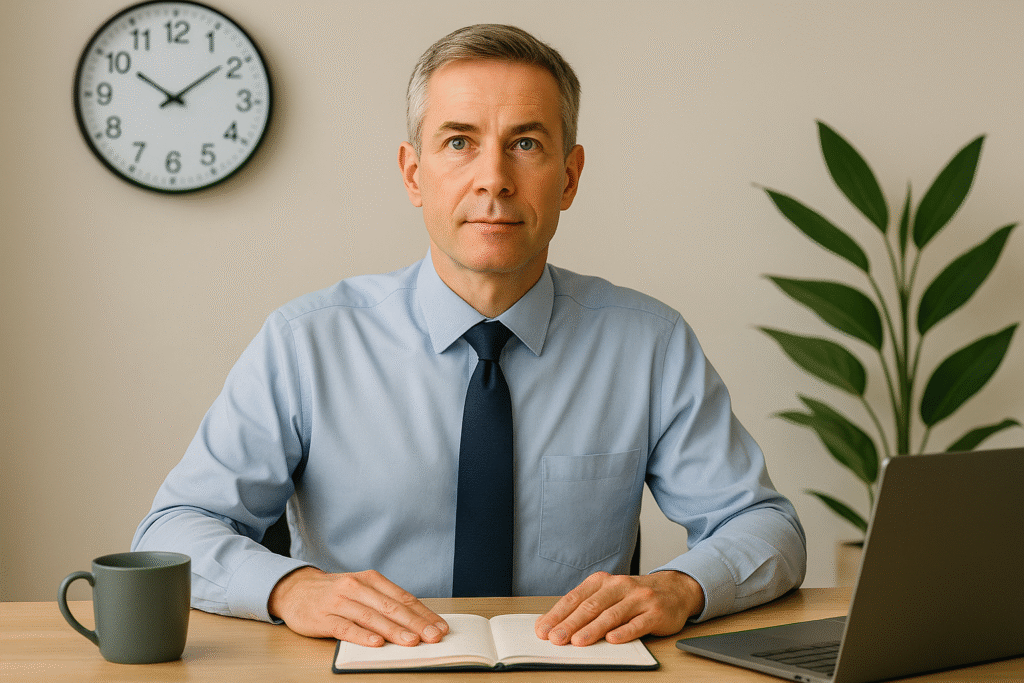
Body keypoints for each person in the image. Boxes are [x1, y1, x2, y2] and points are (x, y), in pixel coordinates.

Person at [133, 24, 805, 650]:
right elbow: (173, 529)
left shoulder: (650, 344)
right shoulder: (304, 343)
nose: (494, 180)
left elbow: (768, 527)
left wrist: (683, 587)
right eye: (459, 142)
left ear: (568, 176)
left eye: (526, 143)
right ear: (413, 173)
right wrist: (289, 588)